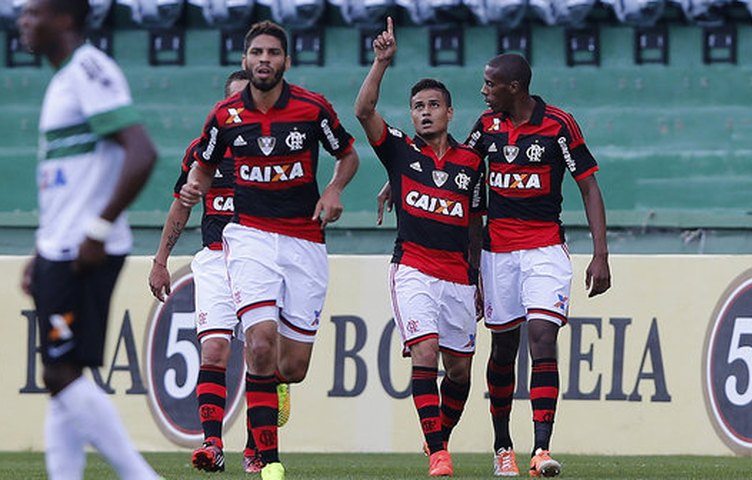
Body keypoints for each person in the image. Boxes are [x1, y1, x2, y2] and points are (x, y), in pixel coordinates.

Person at [179, 20, 359, 480]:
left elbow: (348, 155)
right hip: (249, 237)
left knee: (290, 366)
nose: (264, 60)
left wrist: (334, 190)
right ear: (245, 60)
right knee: (258, 342)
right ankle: (267, 459)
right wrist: (194, 189)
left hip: (304, 239)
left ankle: (274, 390)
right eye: (256, 52)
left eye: (272, 53)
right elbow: (202, 167)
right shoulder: (224, 116)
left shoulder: (311, 108)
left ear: (286, 61)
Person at [17, 0, 162, 478]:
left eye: (33, 12)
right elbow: (71, 180)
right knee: (65, 376)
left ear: (63, 18)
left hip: (83, 251)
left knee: (58, 373)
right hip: (61, 247)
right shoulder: (63, 80)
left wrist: (96, 230)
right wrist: (42, 248)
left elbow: (140, 152)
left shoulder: (88, 69)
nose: (23, 21)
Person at [465, 53, 611, 477]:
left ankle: (541, 449)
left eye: (490, 84)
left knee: (543, 338)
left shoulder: (558, 125)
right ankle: (502, 446)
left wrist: (600, 254)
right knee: (504, 348)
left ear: (514, 87)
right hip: (497, 254)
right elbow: (457, 166)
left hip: (545, 248)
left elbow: (589, 187)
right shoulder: (487, 126)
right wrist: (396, 179)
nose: (484, 90)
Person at [355, 18, 486, 477]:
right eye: (417, 106)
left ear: (450, 113)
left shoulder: (472, 162)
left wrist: (479, 279)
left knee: (461, 373)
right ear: (411, 115)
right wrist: (381, 62)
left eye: (433, 105)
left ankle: (438, 438)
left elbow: (475, 223)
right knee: (425, 353)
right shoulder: (399, 151)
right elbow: (364, 110)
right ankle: (437, 453)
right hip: (413, 267)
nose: (425, 112)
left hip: (458, 276)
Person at [148, 70, 290, 474]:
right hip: (215, 257)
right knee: (213, 350)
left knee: (261, 354)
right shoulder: (202, 152)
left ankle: (256, 448)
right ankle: (212, 444)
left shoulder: (276, 147)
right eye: (234, 102)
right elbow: (181, 204)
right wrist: (160, 261)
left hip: (263, 259)